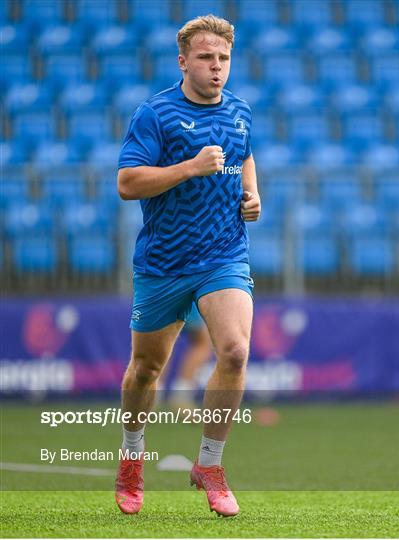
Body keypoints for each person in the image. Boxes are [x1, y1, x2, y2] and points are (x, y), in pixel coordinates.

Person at [115, 14, 261, 518]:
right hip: (164, 262)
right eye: (205, 58)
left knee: (236, 351)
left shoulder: (240, 110)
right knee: (145, 370)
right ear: (183, 61)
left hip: (223, 255)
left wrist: (252, 192)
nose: (216, 67)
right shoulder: (154, 114)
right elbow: (128, 183)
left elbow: (243, 155)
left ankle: (210, 465)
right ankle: (131, 461)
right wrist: (189, 168)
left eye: (223, 59)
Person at [166, 302, 212, 410]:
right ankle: (181, 397)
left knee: (162, 342)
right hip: (183, 289)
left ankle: (150, 399)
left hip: (153, 291)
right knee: (202, 343)